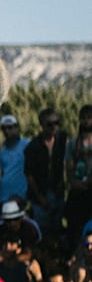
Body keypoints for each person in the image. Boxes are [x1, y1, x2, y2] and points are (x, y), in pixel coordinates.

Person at [24, 107, 66, 239]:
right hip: (40, 193)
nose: (54, 127)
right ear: (42, 125)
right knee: (42, 231)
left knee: (58, 228)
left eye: (56, 123)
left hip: (58, 191)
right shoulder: (33, 147)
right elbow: (29, 174)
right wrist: (39, 196)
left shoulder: (62, 139)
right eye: (50, 124)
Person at [65, 104, 92, 246]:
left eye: (89, 117)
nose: (86, 121)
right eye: (84, 118)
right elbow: (69, 168)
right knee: (75, 227)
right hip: (77, 191)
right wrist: (75, 183)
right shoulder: (73, 143)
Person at [0, 115, 29, 213]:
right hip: (1, 196)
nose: (7, 131)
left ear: (16, 128)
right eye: (4, 128)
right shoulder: (3, 150)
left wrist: (24, 195)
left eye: (10, 127)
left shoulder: (26, 144)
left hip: (19, 196)